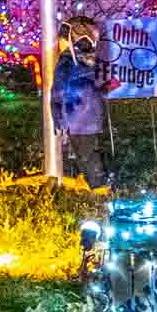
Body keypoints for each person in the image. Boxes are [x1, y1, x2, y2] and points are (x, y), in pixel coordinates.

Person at [51, 17, 111, 196]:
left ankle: (100, 190)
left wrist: (57, 116)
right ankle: (96, 182)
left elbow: (58, 92)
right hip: (93, 117)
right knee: (90, 152)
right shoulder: (91, 60)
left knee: (86, 155)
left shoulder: (67, 61)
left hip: (78, 118)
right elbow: (101, 86)